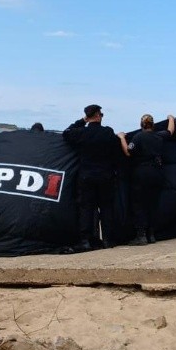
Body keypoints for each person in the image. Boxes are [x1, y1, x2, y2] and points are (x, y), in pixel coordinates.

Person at [63, 105, 122, 251]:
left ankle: (85, 240)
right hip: (105, 176)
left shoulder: (82, 133)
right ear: (97, 116)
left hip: (86, 176)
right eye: (101, 114)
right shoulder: (108, 132)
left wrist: (83, 120)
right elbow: (116, 151)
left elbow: (66, 132)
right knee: (107, 208)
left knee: (86, 209)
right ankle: (108, 239)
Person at [118, 114, 176, 245]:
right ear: (153, 124)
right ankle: (151, 234)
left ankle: (141, 235)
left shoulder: (138, 137)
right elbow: (170, 131)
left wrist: (122, 138)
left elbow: (128, 152)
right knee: (153, 204)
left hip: (142, 172)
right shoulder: (159, 136)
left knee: (139, 204)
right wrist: (171, 119)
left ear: (141, 124)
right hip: (157, 172)